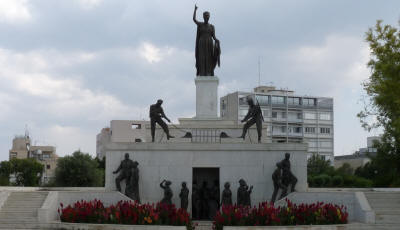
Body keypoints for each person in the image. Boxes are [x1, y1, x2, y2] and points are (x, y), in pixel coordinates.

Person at [193, 4, 220, 76]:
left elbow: (214, 36)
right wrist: (195, 10)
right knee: (202, 57)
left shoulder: (212, 27)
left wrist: (217, 40)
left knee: (209, 58)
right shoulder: (200, 25)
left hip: (209, 43)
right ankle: (202, 72)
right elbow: (194, 20)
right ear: (203, 17)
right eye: (205, 16)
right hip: (201, 43)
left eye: (208, 16)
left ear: (209, 17)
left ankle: (209, 72)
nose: (207, 17)